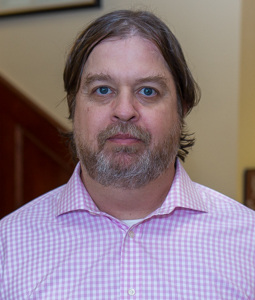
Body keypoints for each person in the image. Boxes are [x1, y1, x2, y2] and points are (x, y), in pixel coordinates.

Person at [0, 10, 254, 300]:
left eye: (148, 91)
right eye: (102, 89)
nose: (124, 110)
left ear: (181, 109)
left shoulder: (249, 245)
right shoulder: (8, 249)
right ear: (73, 107)